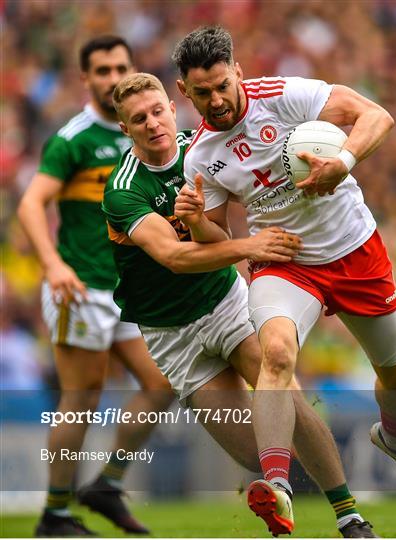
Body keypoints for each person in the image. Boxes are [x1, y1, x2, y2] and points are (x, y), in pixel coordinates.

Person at [172, 25, 396, 535]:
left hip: (355, 250)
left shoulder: (285, 95)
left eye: (221, 86)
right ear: (184, 92)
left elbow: (376, 117)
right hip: (284, 263)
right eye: (202, 92)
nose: (216, 100)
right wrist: (194, 219)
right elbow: (217, 236)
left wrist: (342, 163)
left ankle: (394, 438)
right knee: (276, 354)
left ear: (238, 73)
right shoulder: (202, 157)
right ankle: (278, 487)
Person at [103, 71, 378, 539]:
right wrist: (251, 247)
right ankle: (276, 495)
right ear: (125, 129)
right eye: (137, 119)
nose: (151, 124)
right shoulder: (123, 190)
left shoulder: (204, 150)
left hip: (226, 302)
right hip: (173, 335)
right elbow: (173, 256)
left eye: (156, 112)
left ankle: (350, 517)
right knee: (259, 452)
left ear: (173, 107)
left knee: (286, 392)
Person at [17, 36, 175, 537]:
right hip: (80, 288)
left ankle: (105, 485)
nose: (113, 78)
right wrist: (51, 265)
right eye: (102, 70)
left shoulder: (143, 132)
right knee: (80, 399)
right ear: (85, 78)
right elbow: (29, 204)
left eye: (121, 68)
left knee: (163, 384)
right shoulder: (74, 138)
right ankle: (55, 514)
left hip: (127, 292)